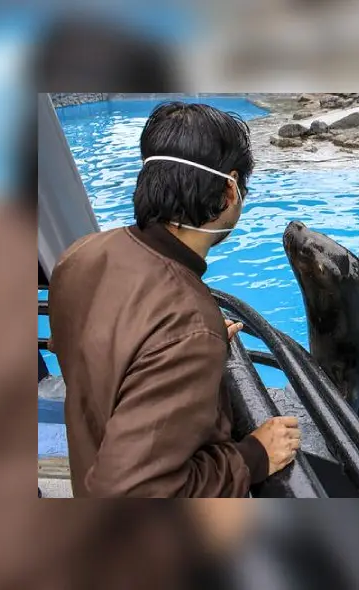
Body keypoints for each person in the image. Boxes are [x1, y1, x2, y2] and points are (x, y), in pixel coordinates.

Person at [48, 102, 301, 497]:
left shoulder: (83, 254)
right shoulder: (187, 322)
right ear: (230, 189)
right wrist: (252, 456)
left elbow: (106, 358)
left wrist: (187, 349)